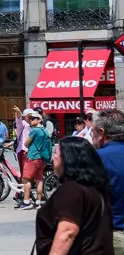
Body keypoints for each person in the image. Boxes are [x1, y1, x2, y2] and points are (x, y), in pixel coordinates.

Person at [35, 138, 114, 255]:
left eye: (56, 153)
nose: (53, 158)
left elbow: (67, 232)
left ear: (67, 158)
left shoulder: (72, 189)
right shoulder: (93, 187)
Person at [88, 109, 124, 255]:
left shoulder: (96, 158)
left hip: (113, 235)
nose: (91, 136)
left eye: (92, 131)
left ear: (101, 132)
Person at [27, 109, 56, 209]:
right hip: (42, 157)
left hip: (35, 156)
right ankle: (38, 202)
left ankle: (26, 201)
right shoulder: (43, 130)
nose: (31, 120)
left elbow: (26, 143)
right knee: (39, 180)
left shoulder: (36, 130)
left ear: (39, 119)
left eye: (33, 118)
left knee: (27, 179)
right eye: (30, 118)